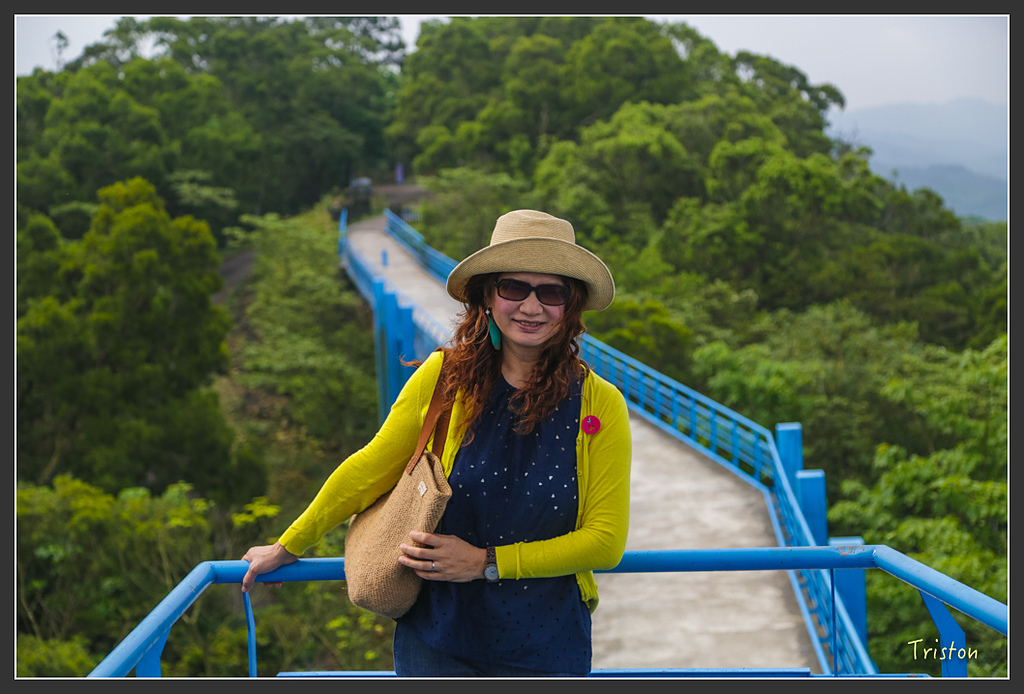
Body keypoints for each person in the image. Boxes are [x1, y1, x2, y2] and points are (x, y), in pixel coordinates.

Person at [241, 209, 632, 677]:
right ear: (487, 295)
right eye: (513, 288)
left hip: (548, 643)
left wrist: (484, 563)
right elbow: (368, 470)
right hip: (437, 637)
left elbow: (605, 542)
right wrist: (289, 544)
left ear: (571, 305)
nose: (531, 307)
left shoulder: (599, 404)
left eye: (551, 292)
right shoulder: (444, 379)